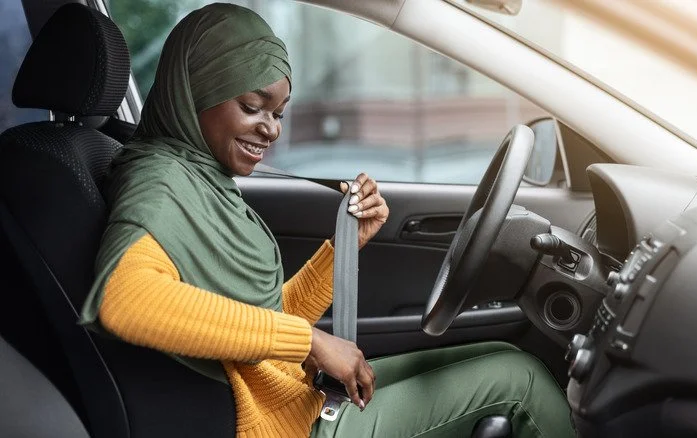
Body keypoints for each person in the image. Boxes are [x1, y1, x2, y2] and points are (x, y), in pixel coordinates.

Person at [78, 3, 575, 437]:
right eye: (253, 106)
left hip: (294, 396)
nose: (270, 128)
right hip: (285, 424)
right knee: (519, 380)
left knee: (494, 355)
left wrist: (344, 245)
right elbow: (126, 300)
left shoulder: (202, 180)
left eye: (279, 112)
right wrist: (311, 342)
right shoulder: (159, 180)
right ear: (196, 93)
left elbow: (265, 317)